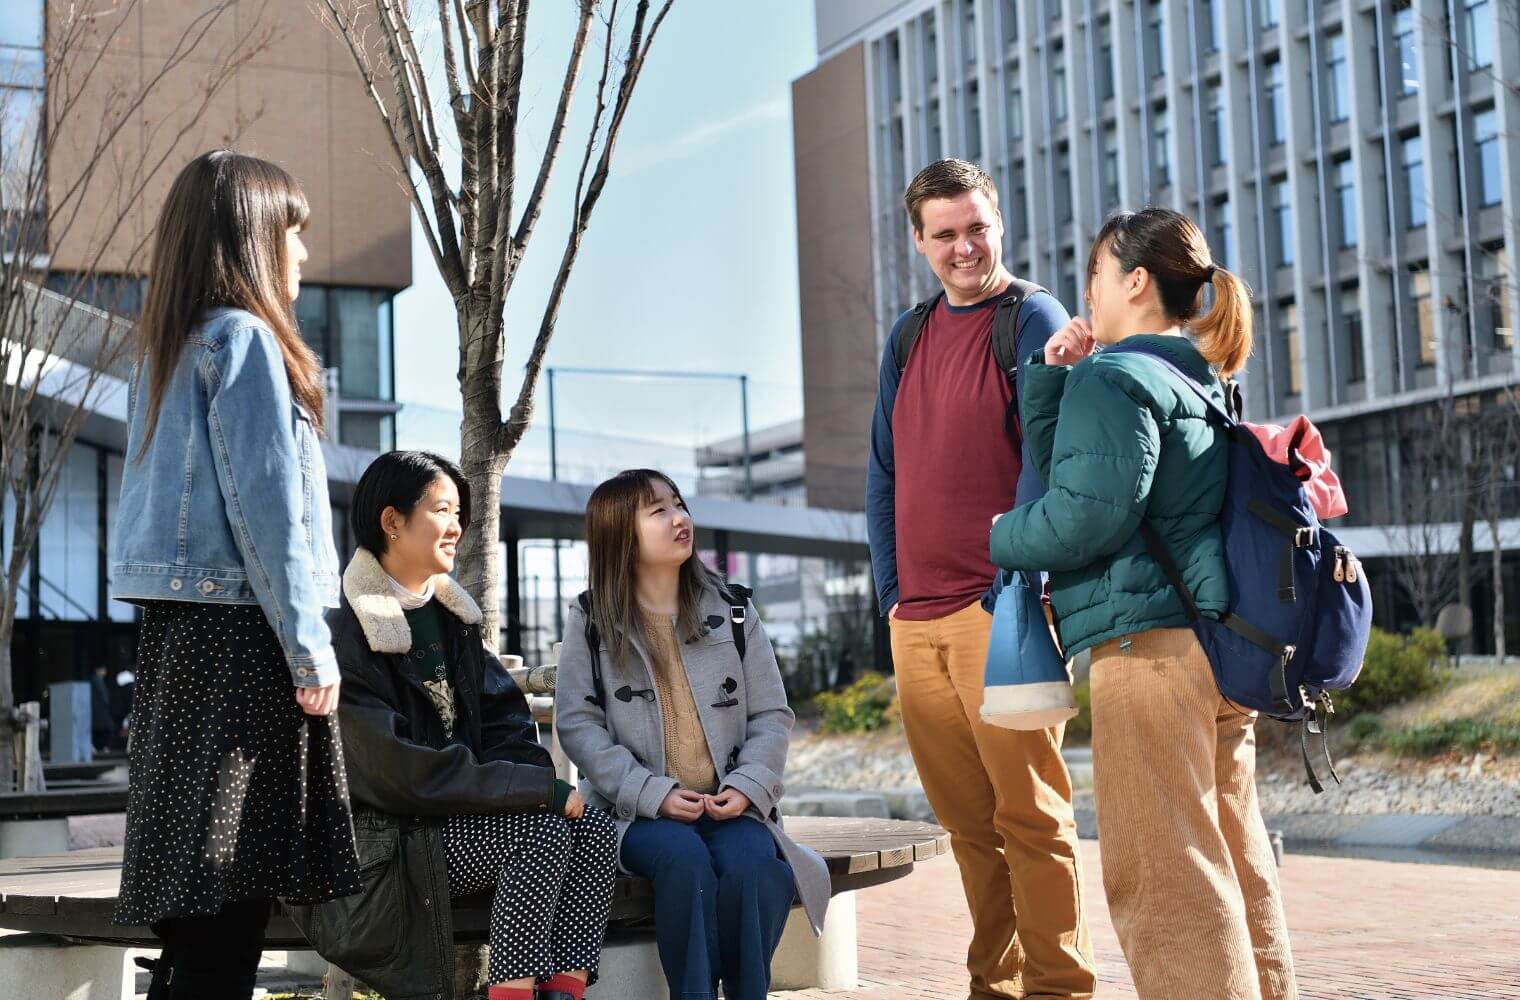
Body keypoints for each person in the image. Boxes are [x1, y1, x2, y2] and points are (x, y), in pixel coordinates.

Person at [989, 207, 1298, 999]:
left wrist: (1001, 535)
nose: (1086, 289)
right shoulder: (1198, 379)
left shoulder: (1116, 378)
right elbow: (1090, 472)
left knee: (1164, 879)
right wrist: (1052, 379)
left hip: (1148, 653)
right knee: (1233, 857)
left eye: (1095, 272)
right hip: (1219, 648)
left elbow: (1085, 515)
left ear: (1134, 281)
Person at [109, 150, 359, 1000]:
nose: (303, 253)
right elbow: (268, 513)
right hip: (244, 648)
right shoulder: (245, 341)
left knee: (192, 908)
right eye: (293, 233)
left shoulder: (166, 348)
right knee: (227, 905)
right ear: (252, 237)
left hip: (184, 646)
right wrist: (310, 649)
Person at [865, 158, 1095, 998]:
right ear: (919, 241)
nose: (964, 247)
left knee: (1031, 818)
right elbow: (883, 471)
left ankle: (1060, 988)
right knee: (969, 827)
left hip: (1003, 613)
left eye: (977, 228)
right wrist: (892, 592)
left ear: (999, 225)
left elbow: (1049, 455)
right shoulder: (907, 335)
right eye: (946, 234)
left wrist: (1018, 581)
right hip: (916, 620)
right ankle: (993, 987)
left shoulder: (1032, 317)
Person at [291, 451, 616, 1000]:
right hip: (381, 842)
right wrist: (535, 791)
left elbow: (507, 723)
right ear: (392, 522)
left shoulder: (453, 618)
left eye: (459, 513)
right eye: (442, 510)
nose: (457, 527)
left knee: (594, 831)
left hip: (455, 823)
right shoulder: (343, 630)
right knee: (538, 832)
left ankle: (562, 994)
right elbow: (395, 772)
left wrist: (533, 786)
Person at [554, 469, 830, 1000]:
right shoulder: (591, 618)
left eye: (679, 504)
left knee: (756, 868)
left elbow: (772, 714)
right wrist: (652, 793)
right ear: (620, 532)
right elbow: (577, 724)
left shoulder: (734, 609)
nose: (679, 518)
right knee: (684, 862)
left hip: (730, 806)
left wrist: (747, 786)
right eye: (658, 510)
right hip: (634, 813)